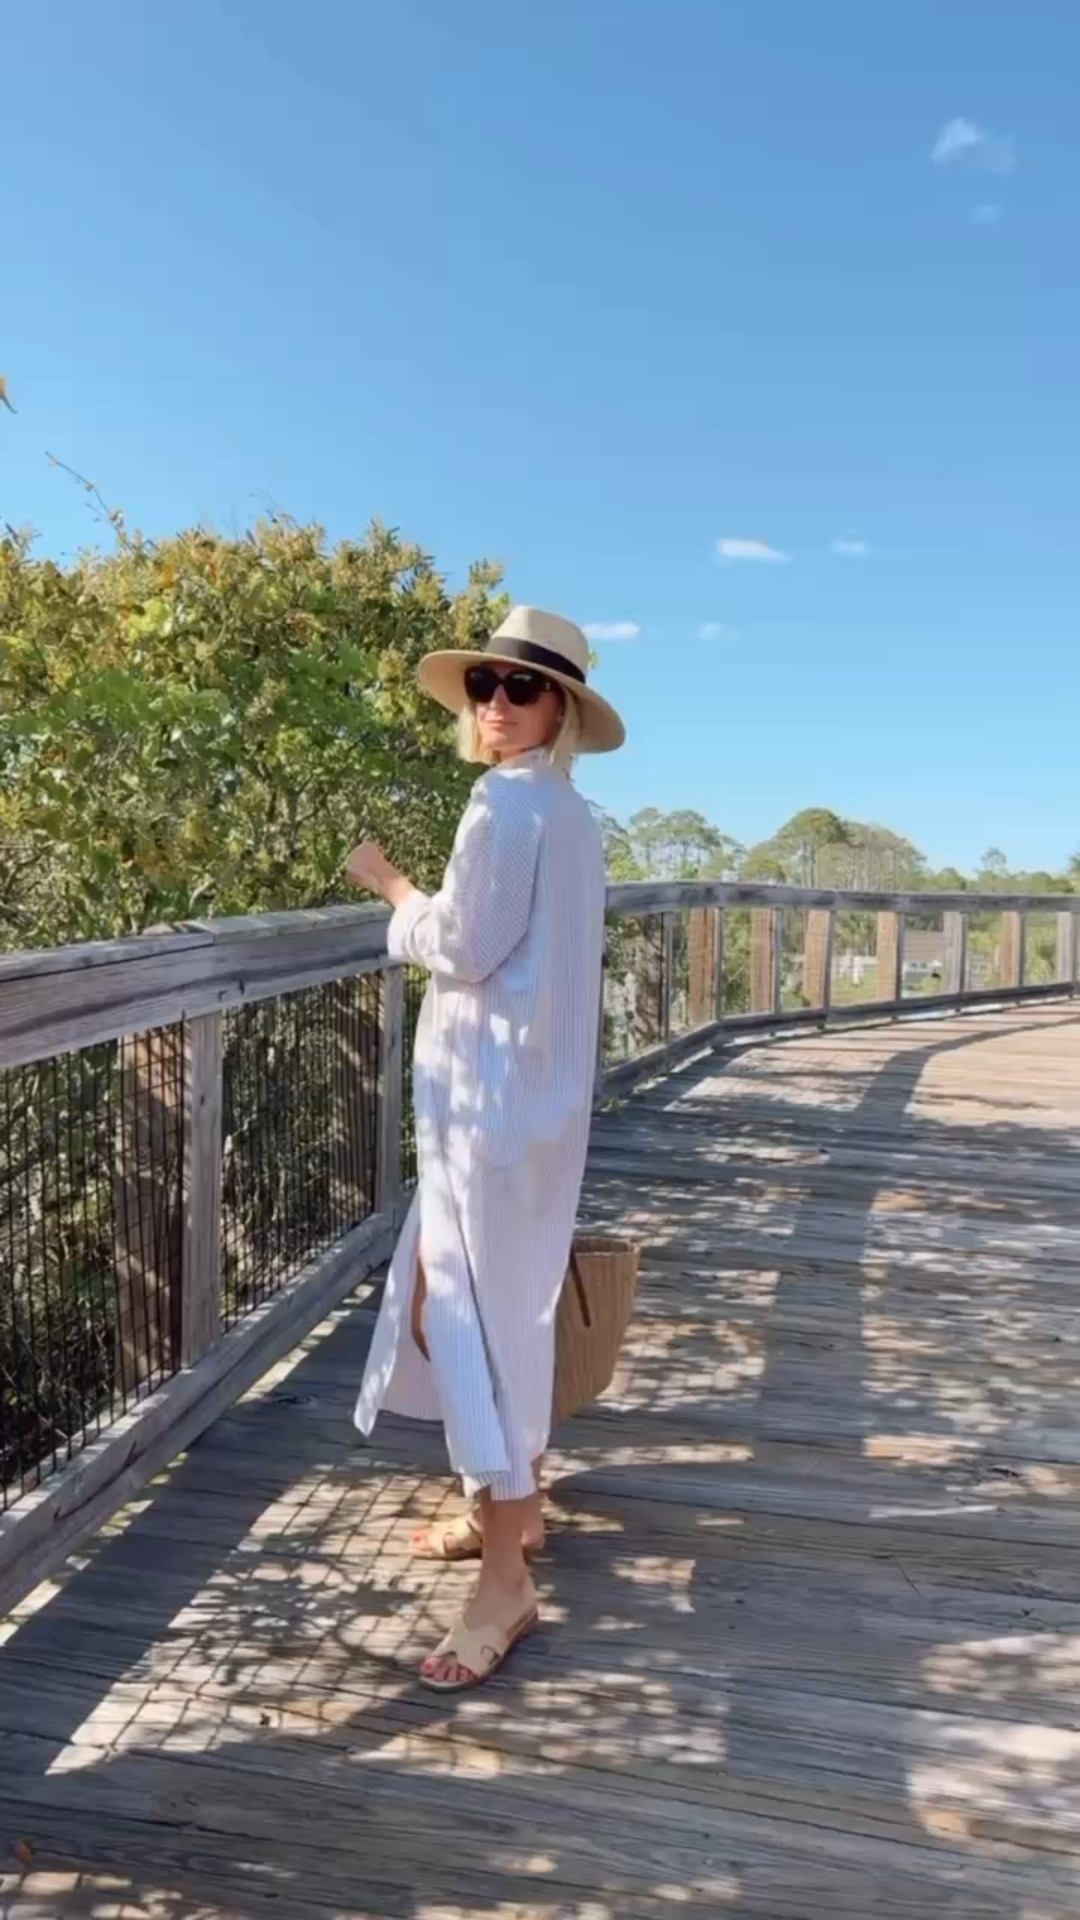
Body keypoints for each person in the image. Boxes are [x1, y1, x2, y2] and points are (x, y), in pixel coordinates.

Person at [345, 606, 624, 1692]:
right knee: (476, 1306)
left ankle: (505, 1580)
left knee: (479, 1321)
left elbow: (463, 944)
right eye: (486, 687)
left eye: (523, 689)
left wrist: (395, 891)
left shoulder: (504, 803)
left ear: (559, 708)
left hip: (490, 1111)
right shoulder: (571, 813)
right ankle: (503, 1511)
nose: (497, 706)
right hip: (528, 1109)